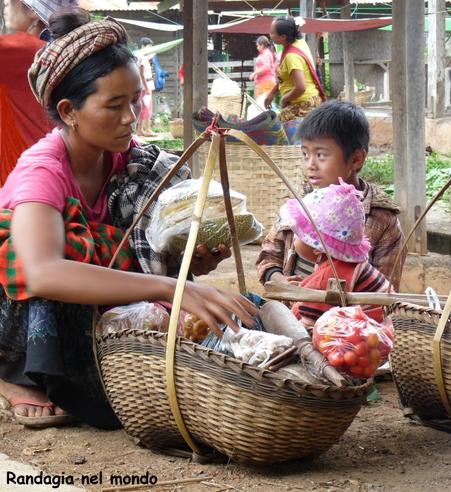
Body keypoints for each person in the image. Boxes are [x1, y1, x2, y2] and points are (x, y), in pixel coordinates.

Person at [0, 9, 256, 430]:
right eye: (114, 106)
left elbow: (136, 252)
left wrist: (187, 263)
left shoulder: (135, 166)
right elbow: (41, 272)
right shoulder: (42, 170)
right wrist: (168, 286)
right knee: (54, 250)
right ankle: (17, 374)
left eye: (135, 100)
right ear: (68, 111)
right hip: (21, 308)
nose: (130, 117)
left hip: (93, 302)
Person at [256, 101, 407, 291]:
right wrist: (281, 282)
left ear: (356, 159)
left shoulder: (382, 219)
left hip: (345, 318)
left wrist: (326, 295)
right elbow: (268, 257)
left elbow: (384, 294)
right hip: (290, 311)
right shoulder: (299, 204)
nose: (310, 165)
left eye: (320, 155)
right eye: (305, 154)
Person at [279, 179, 392, 329]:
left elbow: (307, 328)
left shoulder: (328, 277)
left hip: (360, 337)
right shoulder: (344, 266)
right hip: (377, 330)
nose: (294, 238)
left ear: (317, 248)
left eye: (298, 235)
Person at [0, 0, 75, 184]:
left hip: (24, 170)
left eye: (11, 1)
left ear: (33, 12)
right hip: (53, 165)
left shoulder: (21, 50)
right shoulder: (56, 50)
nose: (6, 5)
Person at [264, 16, 326, 122]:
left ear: (283, 36)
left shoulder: (291, 56)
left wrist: (284, 99)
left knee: (277, 131)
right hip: (309, 101)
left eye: (272, 33)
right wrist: (273, 93)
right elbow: (284, 78)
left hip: (303, 106)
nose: (270, 35)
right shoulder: (299, 43)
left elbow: (301, 87)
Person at [136, 37, 155, 137]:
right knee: (145, 108)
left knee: (146, 107)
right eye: (149, 46)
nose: (150, 48)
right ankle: (145, 130)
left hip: (146, 84)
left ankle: (143, 129)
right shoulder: (142, 57)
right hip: (145, 85)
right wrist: (146, 87)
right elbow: (141, 73)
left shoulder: (142, 56)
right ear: (143, 46)